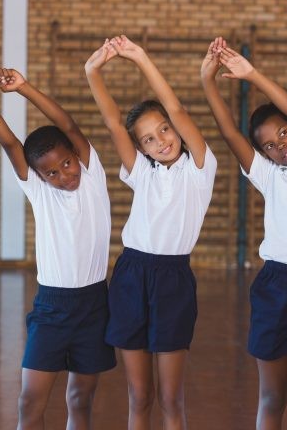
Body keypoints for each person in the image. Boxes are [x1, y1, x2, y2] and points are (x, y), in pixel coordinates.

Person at [200, 37, 287, 430]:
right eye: (267, 145)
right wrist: (207, 81)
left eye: (282, 134)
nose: (279, 146)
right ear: (262, 155)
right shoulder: (269, 177)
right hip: (276, 285)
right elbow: (230, 134)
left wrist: (253, 75)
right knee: (271, 397)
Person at [0, 64, 115, 430]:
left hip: (94, 304)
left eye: (67, 164)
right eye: (52, 172)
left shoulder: (91, 174)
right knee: (30, 399)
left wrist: (23, 87)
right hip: (52, 306)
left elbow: (67, 124)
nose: (64, 175)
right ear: (38, 175)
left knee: (80, 399)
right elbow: (10, 143)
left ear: (76, 156)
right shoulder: (38, 190)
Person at [85, 36, 216, 430]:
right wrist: (92, 72)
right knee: (140, 396)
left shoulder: (200, 168)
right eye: (148, 139)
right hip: (131, 275)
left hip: (173, 279)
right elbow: (111, 122)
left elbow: (174, 105)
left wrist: (141, 57)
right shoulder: (142, 172)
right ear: (140, 149)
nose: (161, 141)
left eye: (164, 129)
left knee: (171, 399)